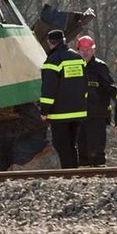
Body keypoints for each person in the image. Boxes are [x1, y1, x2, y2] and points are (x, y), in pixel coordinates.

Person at [40, 29, 87, 169]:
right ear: (64, 40)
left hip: (60, 113)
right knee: (72, 145)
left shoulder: (53, 61)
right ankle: (73, 171)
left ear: (50, 43)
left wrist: (44, 111)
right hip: (78, 111)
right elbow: (84, 84)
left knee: (62, 145)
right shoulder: (78, 58)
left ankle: (68, 173)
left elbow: (48, 90)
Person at [75, 35, 116, 167]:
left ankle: (100, 174)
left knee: (97, 148)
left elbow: (110, 88)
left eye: (88, 49)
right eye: (82, 50)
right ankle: (84, 179)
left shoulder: (100, 67)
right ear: (78, 51)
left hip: (97, 115)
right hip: (79, 114)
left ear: (93, 50)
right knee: (82, 149)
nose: (85, 52)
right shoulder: (73, 66)